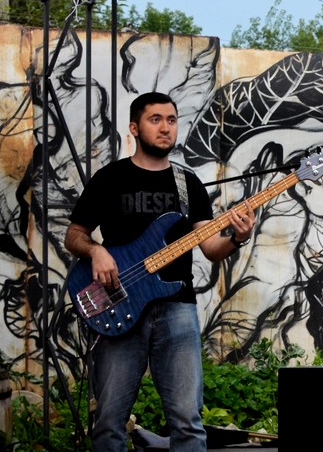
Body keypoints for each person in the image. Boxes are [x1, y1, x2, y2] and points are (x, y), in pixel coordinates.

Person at [65, 91, 256, 452]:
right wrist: (96, 251)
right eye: (155, 120)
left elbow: (210, 248)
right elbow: (73, 235)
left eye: (171, 120)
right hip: (118, 304)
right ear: (134, 128)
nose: (165, 127)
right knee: (108, 421)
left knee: (188, 421)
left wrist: (237, 238)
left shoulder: (187, 183)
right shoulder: (110, 178)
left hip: (177, 307)